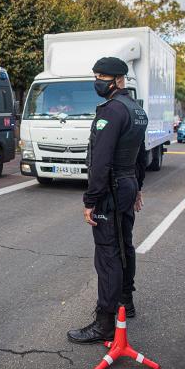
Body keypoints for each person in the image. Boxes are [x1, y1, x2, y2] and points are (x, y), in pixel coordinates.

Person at [67, 57, 148, 345]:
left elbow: (100, 162)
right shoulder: (136, 110)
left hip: (111, 189)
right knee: (124, 245)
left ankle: (104, 323)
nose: (96, 81)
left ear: (118, 79)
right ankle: (127, 301)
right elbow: (141, 154)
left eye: (101, 76)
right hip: (126, 184)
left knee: (108, 253)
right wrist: (137, 186)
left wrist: (91, 199)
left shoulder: (112, 111)